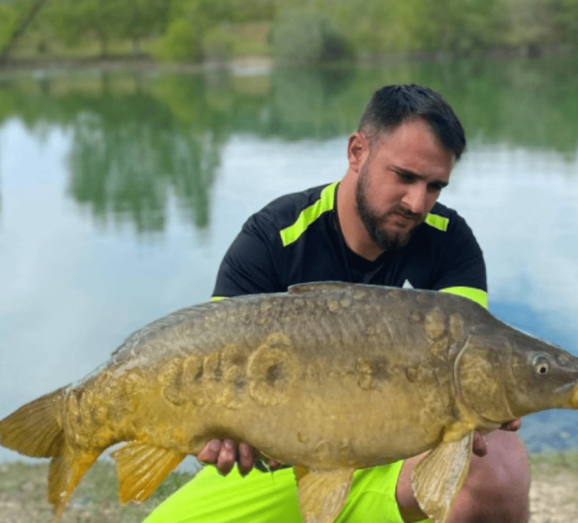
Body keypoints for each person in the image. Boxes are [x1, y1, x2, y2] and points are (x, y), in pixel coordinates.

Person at [144, 84, 530, 523]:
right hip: (281, 466)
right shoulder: (271, 238)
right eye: (404, 176)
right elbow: (216, 369)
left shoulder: (450, 243)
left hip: (400, 459)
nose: (417, 202)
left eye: (435, 186)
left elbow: (470, 361)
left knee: (496, 460)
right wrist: (219, 433)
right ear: (357, 151)